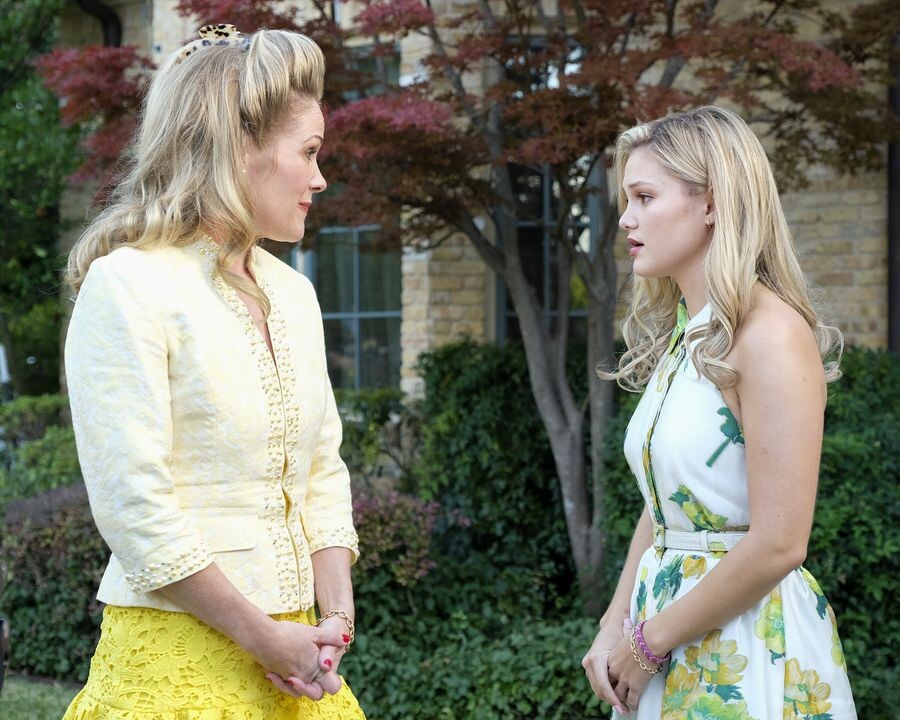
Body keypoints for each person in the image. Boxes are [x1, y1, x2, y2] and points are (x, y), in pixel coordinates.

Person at [62, 24, 366, 719]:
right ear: (239, 148)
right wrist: (264, 638)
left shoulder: (295, 293)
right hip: (175, 662)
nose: (320, 176)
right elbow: (134, 506)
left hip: (299, 663)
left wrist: (334, 624)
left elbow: (323, 471)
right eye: (309, 151)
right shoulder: (128, 285)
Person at [582, 106, 856, 719]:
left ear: (711, 203)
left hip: (746, 641)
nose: (625, 218)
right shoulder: (692, 334)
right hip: (663, 631)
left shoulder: (769, 335)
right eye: (627, 199)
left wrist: (647, 644)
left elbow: (781, 543)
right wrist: (616, 622)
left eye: (644, 197)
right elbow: (666, 503)